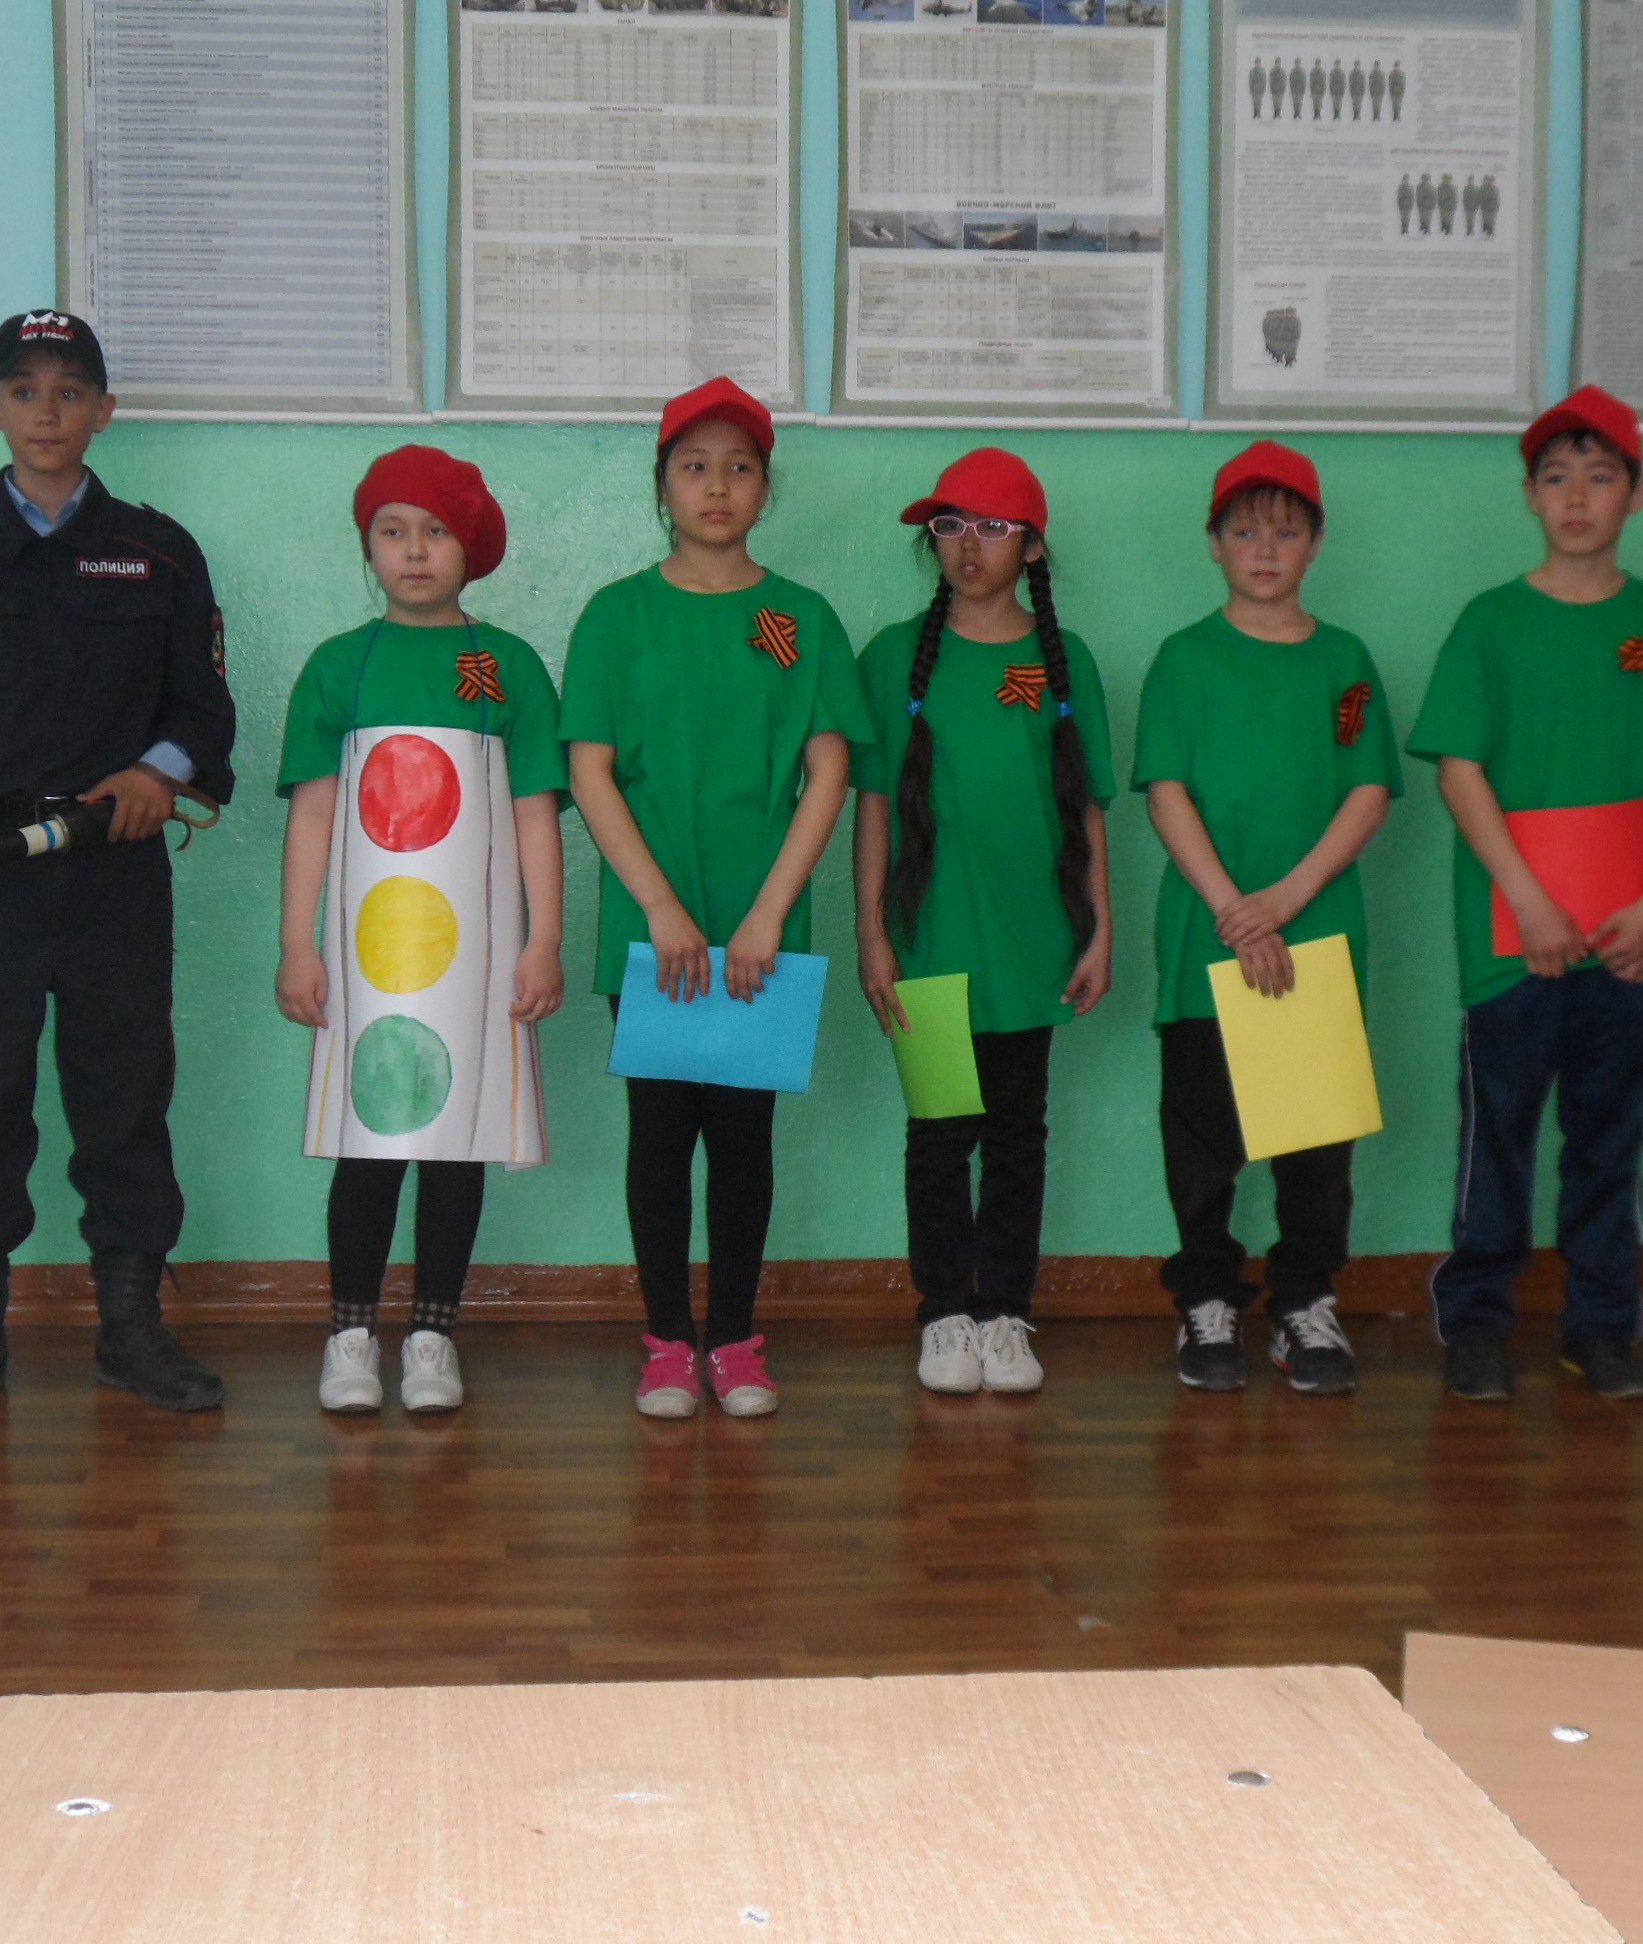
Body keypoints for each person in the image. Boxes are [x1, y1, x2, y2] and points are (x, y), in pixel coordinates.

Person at [0, 308, 236, 1423]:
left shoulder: (160, 551)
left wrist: (157, 774)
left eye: (70, 392)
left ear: (104, 411)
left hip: (115, 874)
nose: (48, 413)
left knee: (126, 1099)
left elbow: (202, 707)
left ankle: (131, 1330)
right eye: (24, 391)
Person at [561, 376, 872, 1420]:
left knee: (743, 1140)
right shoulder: (616, 615)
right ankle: (665, 1344)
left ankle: (735, 1341)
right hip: (651, 922)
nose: (718, 486)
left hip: (761, 922)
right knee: (659, 1135)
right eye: (694, 466)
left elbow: (828, 770)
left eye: (740, 467)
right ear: (662, 485)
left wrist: (770, 911)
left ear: (766, 487)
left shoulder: (801, 618)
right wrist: (659, 906)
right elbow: (591, 772)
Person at [1406, 385, 1643, 1404]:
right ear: (1529, 495)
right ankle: (1477, 1324)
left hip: (1631, 935)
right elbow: (1459, 770)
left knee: (1610, 1140)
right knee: (1497, 1137)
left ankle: (1602, 1329)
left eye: (1601, 476)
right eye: (1556, 477)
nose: (1577, 497)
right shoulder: (1491, 623)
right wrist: (1529, 902)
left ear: (1638, 493)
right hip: (1514, 935)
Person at [275, 445, 566, 1417]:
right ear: (368, 546)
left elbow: (534, 812)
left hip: (475, 958)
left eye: (436, 531)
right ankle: (351, 1333)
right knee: (368, 1142)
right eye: (392, 531)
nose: (413, 550)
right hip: (367, 959)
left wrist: (543, 939)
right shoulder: (338, 666)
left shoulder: (505, 666)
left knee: (455, 1139)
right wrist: (298, 943)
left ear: (470, 547)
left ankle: (435, 1333)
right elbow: (313, 814)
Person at [1135, 441, 1399, 1396]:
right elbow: (1166, 791)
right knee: (1204, 1139)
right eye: (1244, 531)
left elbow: (1368, 791)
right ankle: (1207, 1302)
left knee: (1314, 1145)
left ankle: (1304, 1303)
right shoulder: (1184, 658)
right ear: (1213, 544)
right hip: (1206, 939)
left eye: (1285, 532)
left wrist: (1282, 903)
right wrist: (1233, 911)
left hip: (1314, 934)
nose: (1263, 549)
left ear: (1315, 544)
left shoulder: (1344, 661)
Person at [851, 448, 1116, 1397]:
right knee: (938, 1135)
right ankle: (944, 1315)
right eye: (951, 526)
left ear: (1032, 548)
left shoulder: (1064, 660)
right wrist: (872, 935)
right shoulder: (891, 657)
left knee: (1016, 1136)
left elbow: (1087, 810)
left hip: (1033, 942)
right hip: (928, 943)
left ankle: (1005, 1312)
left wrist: (1100, 930)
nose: (970, 546)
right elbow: (872, 808)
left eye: (995, 528)